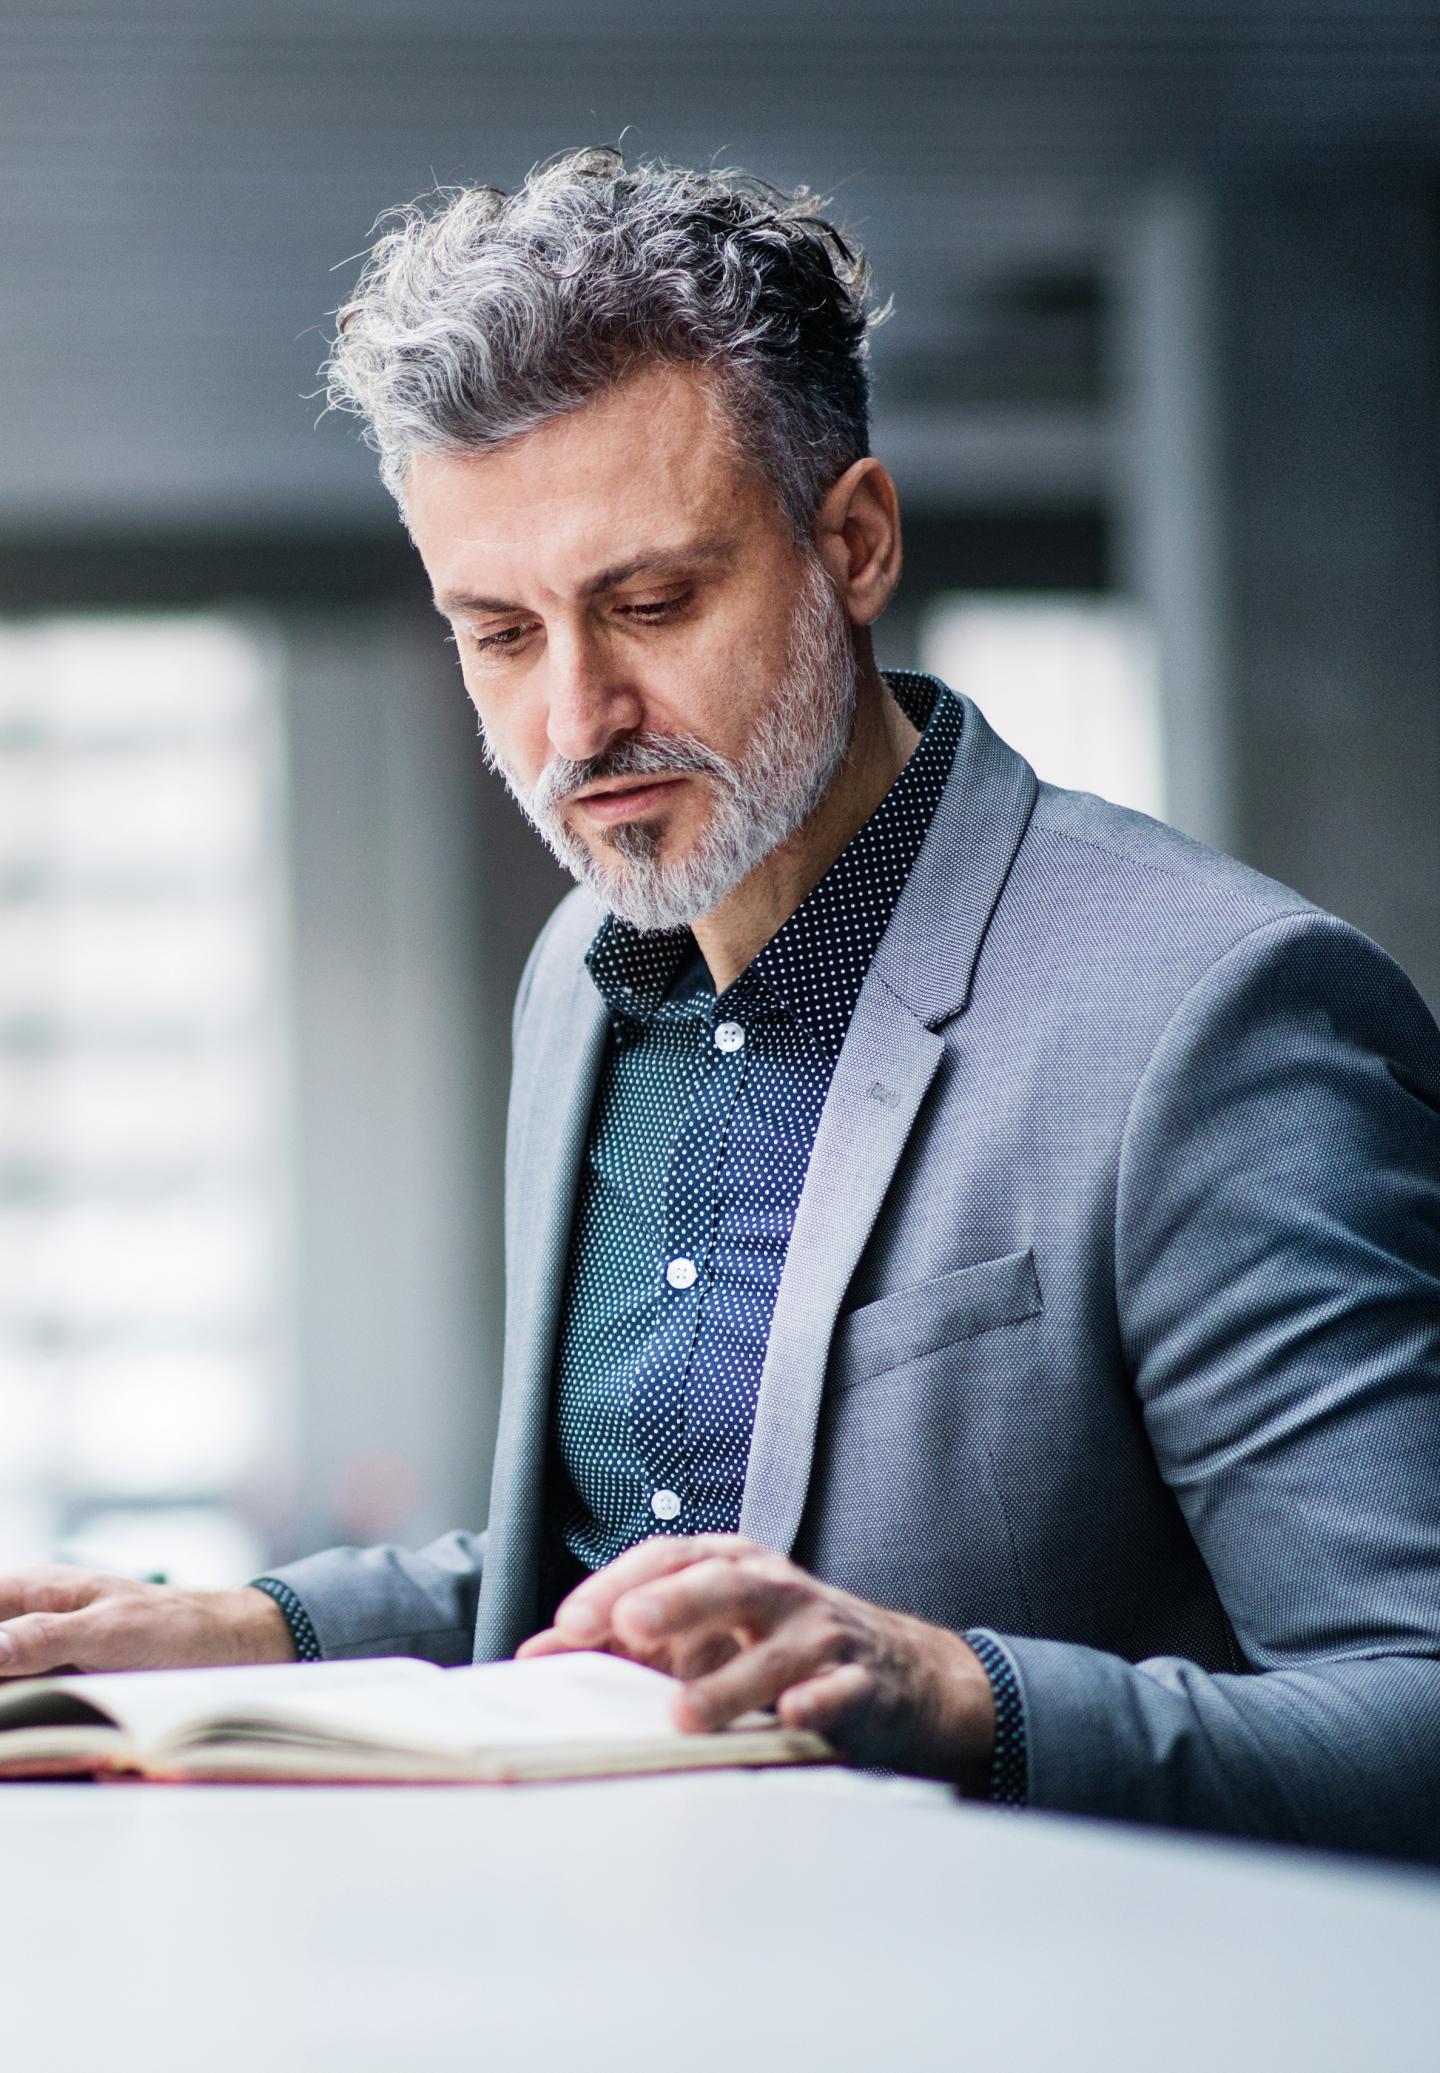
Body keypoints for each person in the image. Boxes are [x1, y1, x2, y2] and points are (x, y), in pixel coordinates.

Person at [2, 149, 1438, 1856]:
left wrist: (955, 1694)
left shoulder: (1217, 1017)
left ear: (854, 541)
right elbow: (616, 1559)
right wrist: (258, 1626)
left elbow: (1411, 1697)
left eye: (652, 604)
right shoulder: (583, 975)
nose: (573, 723)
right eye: (499, 634)